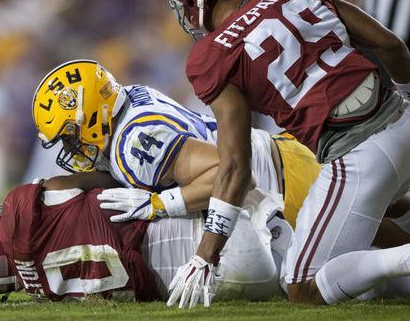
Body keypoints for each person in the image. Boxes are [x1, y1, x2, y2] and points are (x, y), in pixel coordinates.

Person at [166, 0, 410, 306]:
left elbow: (235, 166)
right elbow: (389, 45)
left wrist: (206, 255)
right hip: (400, 115)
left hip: (359, 155)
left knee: (301, 285)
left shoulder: (213, 56)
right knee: (379, 214)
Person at [30, 60, 410, 245]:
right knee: (385, 204)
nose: (70, 147)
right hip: (282, 155)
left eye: (69, 136)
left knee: (377, 244)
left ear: (92, 114)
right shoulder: (130, 102)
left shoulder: (133, 144)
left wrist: (162, 205)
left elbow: (229, 171)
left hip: (282, 187)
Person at [0, 177, 288, 305]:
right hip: (215, 236)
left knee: (303, 278)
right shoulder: (31, 203)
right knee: (239, 166)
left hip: (210, 288)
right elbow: (116, 174)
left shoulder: (46, 295)